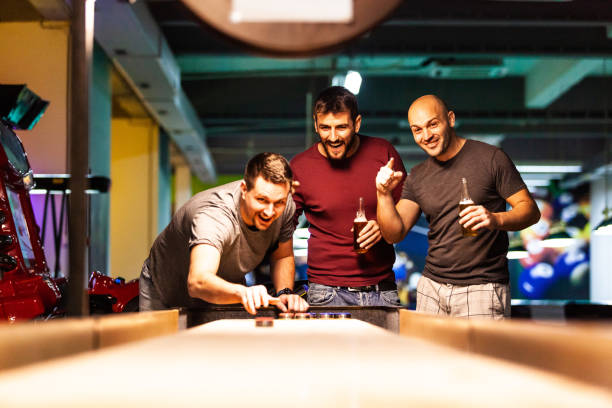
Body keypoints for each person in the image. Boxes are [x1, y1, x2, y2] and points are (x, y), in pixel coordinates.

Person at [376, 94, 540, 319]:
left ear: (450, 119)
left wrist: (495, 219)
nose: (426, 136)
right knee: (428, 355)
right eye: (417, 130)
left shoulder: (491, 158)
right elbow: (394, 233)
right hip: (431, 288)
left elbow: (530, 210)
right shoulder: (418, 176)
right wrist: (383, 194)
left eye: (433, 124)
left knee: (480, 356)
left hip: (483, 287)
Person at [139, 152, 309, 314]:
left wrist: (284, 293)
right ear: (244, 189)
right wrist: (242, 292)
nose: (270, 211)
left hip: (224, 288)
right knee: (160, 344)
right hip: (165, 289)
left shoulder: (285, 206)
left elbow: (282, 256)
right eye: (261, 200)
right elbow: (198, 281)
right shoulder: (214, 216)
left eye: (279, 202)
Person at [290, 86, 406, 306]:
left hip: (381, 290)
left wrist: (383, 225)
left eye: (341, 127)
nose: (333, 137)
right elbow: (282, 233)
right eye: (325, 127)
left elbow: (405, 214)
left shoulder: (383, 153)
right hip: (325, 293)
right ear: (315, 124)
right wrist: (284, 291)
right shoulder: (300, 166)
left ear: (357, 123)